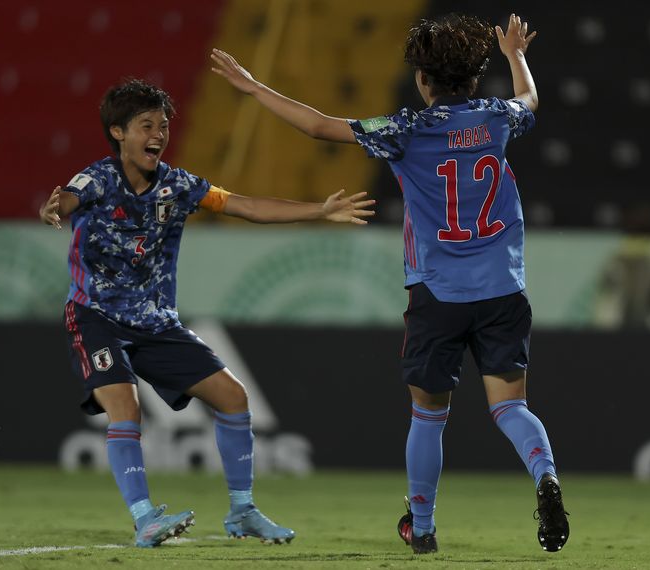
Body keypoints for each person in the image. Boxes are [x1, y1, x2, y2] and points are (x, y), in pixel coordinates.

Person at [211, 12, 569, 554]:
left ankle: (421, 528)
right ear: (474, 79)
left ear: (423, 80)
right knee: (510, 408)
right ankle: (546, 476)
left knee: (428, 415)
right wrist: (516, 55)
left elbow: (319, 126)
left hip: (437, 293)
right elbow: (530, 99)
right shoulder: (497, 117)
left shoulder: (404, 130)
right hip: (503, 289)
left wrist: (255, 87)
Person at [38, 78, 375, 548]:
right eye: (146, 125)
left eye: (163, 126)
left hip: (155, 322)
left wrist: (318, 211)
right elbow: (67, 200)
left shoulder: (179, 186)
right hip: (96, 316)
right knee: (125, 407)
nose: (158, 135)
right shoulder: (97, 179)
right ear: (118, 132)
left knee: (233, 397)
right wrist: (54, 207)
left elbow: (245, 206)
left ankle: (243, 511)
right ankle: (144, 519)